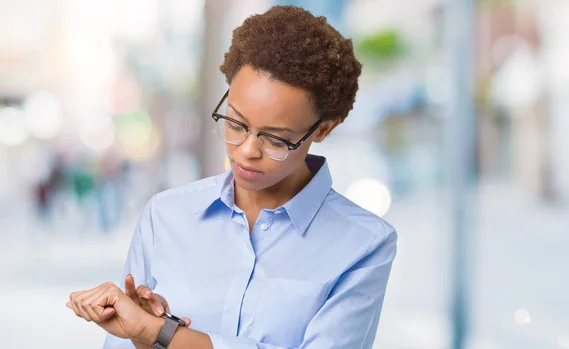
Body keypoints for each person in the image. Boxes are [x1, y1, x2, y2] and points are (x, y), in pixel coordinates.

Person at [67, 5, 397, 349]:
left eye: (276, 138)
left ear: (325, 129)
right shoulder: (166, 215)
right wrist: (142, 338)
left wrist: (162, 333)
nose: (246, 150)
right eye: (236, 123)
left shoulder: (363, 244)